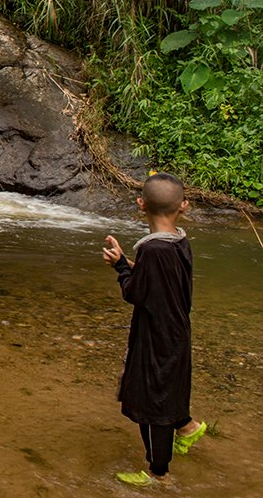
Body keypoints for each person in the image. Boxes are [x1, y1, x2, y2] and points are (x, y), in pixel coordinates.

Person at [102, 172, 207, 487]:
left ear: (140, 204)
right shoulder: (178, 241)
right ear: (184, 207)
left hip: (156, 336)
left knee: (153, 403)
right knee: (167, 388)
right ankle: (187, 427)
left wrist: (121, 267)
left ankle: (157, 474)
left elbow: (135, 293)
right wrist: (131, 264)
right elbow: (161, 282)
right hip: (176, 330)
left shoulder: (153, 249)